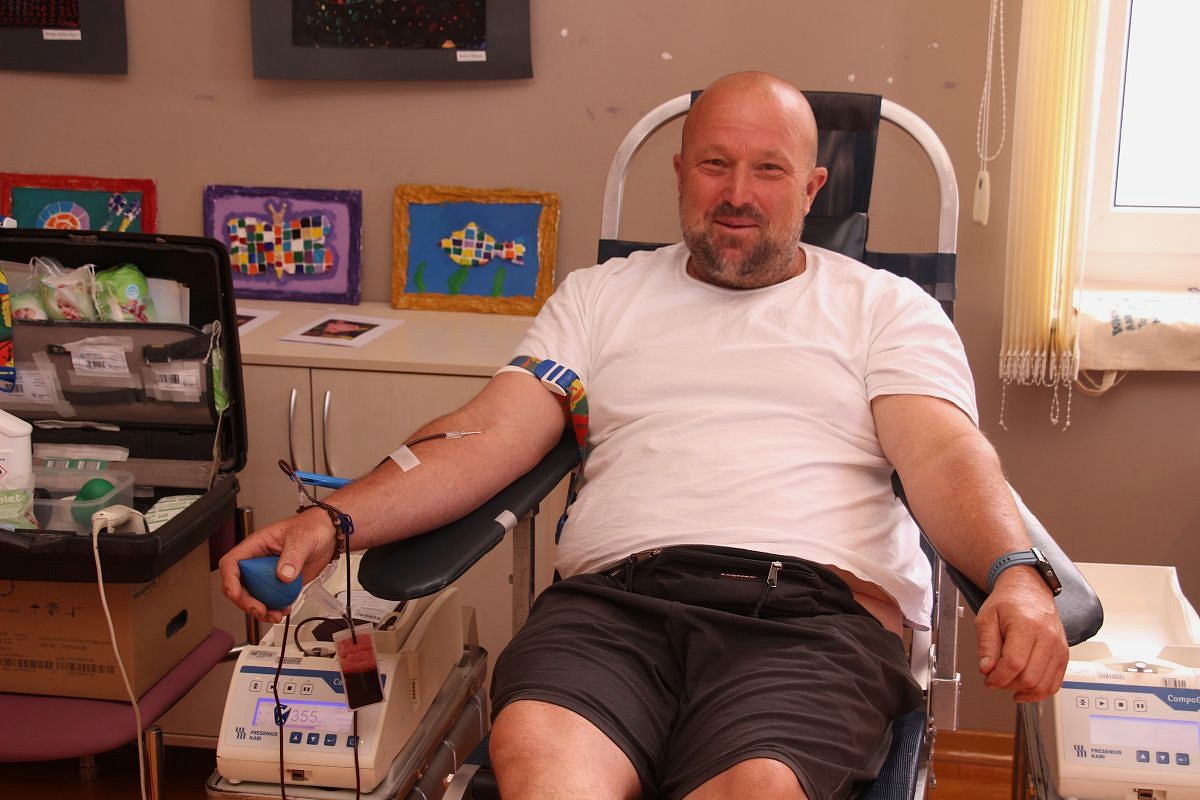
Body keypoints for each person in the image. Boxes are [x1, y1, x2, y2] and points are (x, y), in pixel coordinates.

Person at [221, 71, 1068, 800]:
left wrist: (1016, 575)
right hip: (616, 608)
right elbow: (485, 433)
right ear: (680, 172)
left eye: (769, 169)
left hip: (811, 619)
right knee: (540, 761)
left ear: (812, 187)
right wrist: (333, 522)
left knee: (759, 788)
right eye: (715, 164)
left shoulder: (885, 309)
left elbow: (945, 454)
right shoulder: (599, 298)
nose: (738, 194)